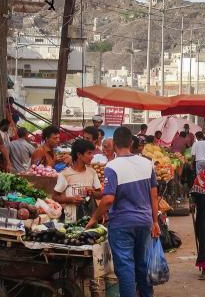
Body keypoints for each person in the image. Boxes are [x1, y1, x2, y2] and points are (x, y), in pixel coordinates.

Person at [85, 126, 161, 297]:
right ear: (132, 142)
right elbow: (154, 196)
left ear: (115, 144)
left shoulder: (112, 166)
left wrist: (94, 217)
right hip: (145, 222)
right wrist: (155, 222)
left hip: (122, 224)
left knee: (125, 267)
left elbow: (108, 199)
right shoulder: (147, 163)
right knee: (142, 264)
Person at [53, 139, 103, 223]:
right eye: (89, 153)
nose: (92, 156)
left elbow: (100, 194)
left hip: (89, 218)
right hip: (71, 218)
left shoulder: (92, 172)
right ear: (79, 154)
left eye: (92, 153)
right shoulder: (65, 174)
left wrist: (93, 192)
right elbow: (55, 196)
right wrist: (71, 200)